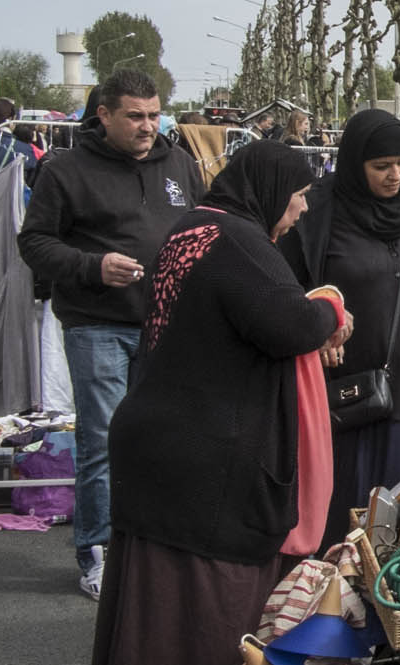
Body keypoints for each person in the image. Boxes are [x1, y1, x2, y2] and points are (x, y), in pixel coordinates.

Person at [92, 141, 350, 665]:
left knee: (153, 616)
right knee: (200, 623)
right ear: (271, 191)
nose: (302, 207)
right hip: (204, 468)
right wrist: (331, 305)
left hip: (162, 450)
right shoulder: (236, 240)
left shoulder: (194, 226)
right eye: (298, 194)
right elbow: (292, 324)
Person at [17, 69, 206, 599]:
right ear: (104, 115)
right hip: (97, 325)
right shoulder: (65, 171)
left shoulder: (181, 164)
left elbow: (205, 229)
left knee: (164, 440)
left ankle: (154, 546)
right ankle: (97, 553)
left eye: (154, 114)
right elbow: (33, 244)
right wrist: (92, 266)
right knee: (103, 440)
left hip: (167, 327)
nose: (149, 126)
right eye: (136, 116)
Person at [278, 109, 400, 547]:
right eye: (381, 167)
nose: (395, 175)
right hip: (350, 404)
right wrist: (317, 325)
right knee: (352, 526)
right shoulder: (319, 218)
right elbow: (287, 290)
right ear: (354, 164)